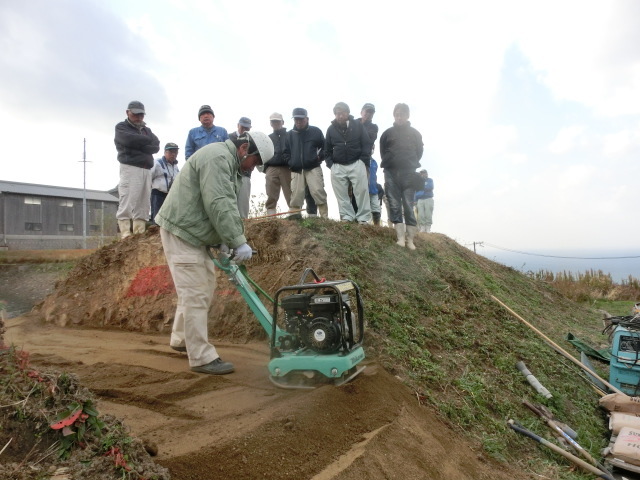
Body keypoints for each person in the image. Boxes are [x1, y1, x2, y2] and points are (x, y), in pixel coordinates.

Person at [155, 131, 274, 375]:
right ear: (244, 149)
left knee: (202, 287)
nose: (254, 167)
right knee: (196, 292)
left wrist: (224, 241)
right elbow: (219, 201)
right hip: (183, 231)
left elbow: (224, 202)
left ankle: (181, 339)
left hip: (194, 233)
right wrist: (237, 241)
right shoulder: (218, 158)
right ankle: (200, 357)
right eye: (256, 161)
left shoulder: (229, 163)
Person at [379, 103, 424, 250]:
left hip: (409, 173)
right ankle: (400, 238)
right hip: (391, 172)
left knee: (408, 205)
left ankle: (410, 240)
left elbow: (419, 152)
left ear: (408, 116)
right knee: (394, 205)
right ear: (394, 115)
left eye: (402, 114)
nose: (399, 117)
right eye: (397, 114)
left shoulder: (415, 134)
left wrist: (409, 163)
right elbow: (382, 152)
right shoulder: (387, 133)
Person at [114, 100, 160, 239]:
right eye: (135, 114)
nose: (139, 117)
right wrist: (145, 142)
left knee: (143, 201)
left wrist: (139, 144)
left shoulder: (147, 130)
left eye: (141, 114)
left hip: (146, 169)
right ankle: (125, 233)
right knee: (127, 198)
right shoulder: (121, 127)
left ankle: (139, 232)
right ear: (128, 112)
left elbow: (156, 145)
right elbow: (128, 140)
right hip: (130, 167)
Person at [325, 102, 372, 224]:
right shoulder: (330, 129)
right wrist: (331, 164)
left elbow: (367, 143)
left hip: (357, 162)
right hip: (338, 166)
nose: (340, 116)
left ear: (348, 113)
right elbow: (327, 149)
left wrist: (363, 160)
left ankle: (363, 218)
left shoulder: (358, 125)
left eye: (342, 113)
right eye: (337, 114)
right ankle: (347, 216)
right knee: (341, 194)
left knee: (361, 191)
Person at [285, 108, 329, 219]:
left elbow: (325, 148)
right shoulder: (289, 135)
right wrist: (291, 162)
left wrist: (319, 157)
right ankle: (295, 218)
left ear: (307, 119)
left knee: (318, 191)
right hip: (296, 169)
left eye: (301, 119)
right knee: (296, 194)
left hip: (313, 167)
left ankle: (325, 218)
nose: (298, 121)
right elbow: (285, 153)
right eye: (296, 119)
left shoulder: (316, 131)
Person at [263, 112, 291, 215]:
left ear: (282, 122)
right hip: (271, 167)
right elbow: (263, 153)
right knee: (270, 193)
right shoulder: (267, 137)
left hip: (287, 168)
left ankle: (294, 215)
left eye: (277, 121)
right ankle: (271, 217)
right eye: (273, 121)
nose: (275, 123)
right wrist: (266, 168)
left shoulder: (290, 135)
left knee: (290, 193)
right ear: (271, 123)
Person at [150, 143, 180, 224]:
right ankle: (156, 233)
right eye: (170, 152)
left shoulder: (176, 167)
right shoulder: (157, 163)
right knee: (157, 215)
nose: (173, 154)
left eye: (175, 152)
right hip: (158, 193)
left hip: (169, 195)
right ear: (165, 152)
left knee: (168, 216)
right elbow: (149, 177)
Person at [230, 117, 253, 218]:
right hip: (230, 175)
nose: (244, 129)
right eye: (242, 127)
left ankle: (244, 226)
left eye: (247, 128)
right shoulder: (229, 137)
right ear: (238, 125)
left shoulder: (252, 140)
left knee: (243, 203)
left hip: (245, 175)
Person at [369, 156, 382, 226]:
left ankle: (377, 227)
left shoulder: (374, 162)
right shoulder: (361, 159)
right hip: (363, 189)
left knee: (376, 209)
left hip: (374, 189)